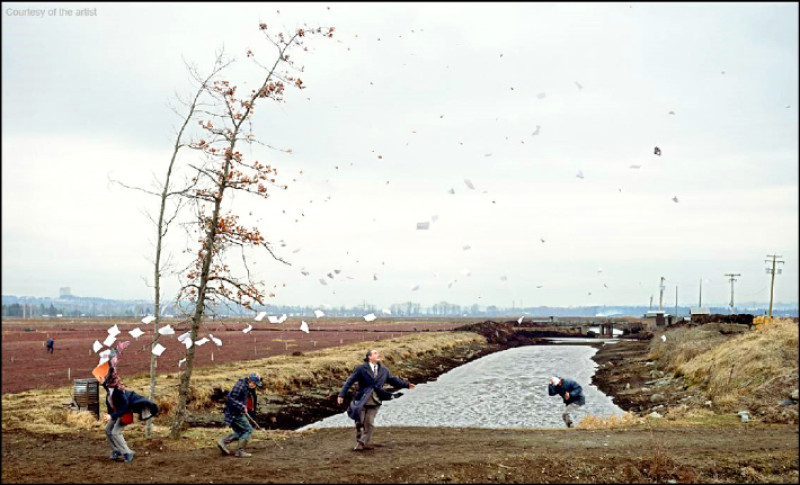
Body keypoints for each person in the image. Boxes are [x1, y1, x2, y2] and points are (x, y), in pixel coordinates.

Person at [337, 349, 415, 451]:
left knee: (369, 423)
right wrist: (341, 395)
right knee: (359, 421)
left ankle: (362, 443)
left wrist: (407, 385)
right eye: (375, 353)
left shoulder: (384, 370)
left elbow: (393, 380)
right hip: (362, 399)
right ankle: (361, 439)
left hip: (376, 399)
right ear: (369, 357)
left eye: (378, 353)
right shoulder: (361, 368)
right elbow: (350, 381)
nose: (378, 355)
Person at [102, 369, 160, 463]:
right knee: (107, 430)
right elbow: (111, 404)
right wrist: (109, 414)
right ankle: (116, 451)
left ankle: (127, 453)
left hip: (125, 414)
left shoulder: (119, 393)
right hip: (116, 413)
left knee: (115, 432)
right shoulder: (109, 390)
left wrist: (111, 416)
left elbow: (124, 407)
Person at [218, 372, 264, 458]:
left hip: (236, 412)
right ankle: (240, 452)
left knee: (240, 432)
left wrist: (243, 407)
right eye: (255, 384)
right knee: (248, 430)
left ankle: (223, 442)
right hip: (234, 414)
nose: (256, 386)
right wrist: (242, 406)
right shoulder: (240, 386)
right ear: (251, 382)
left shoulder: (245, 386)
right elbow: (230, 398)